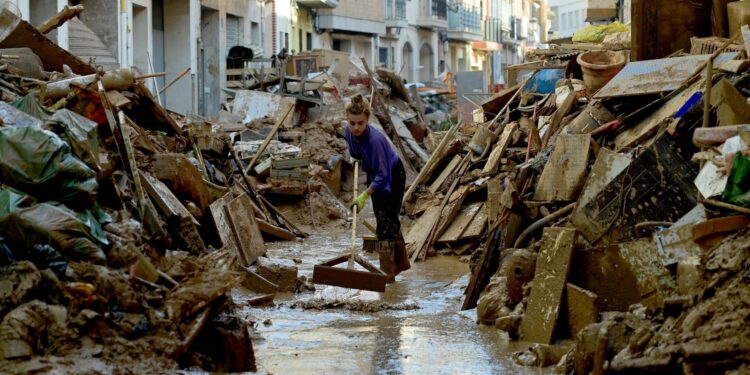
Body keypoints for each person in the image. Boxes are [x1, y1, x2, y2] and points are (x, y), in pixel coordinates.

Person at [345, 95, 410, 282]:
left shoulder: (376, 140)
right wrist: (355, 156)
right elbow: (354, 150)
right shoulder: (349, 131)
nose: (356, 127)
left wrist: (365, 194)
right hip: (376, 172)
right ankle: (401, 263)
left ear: (367, 121)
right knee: (386, 219)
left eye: (360, 123)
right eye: (352, 123)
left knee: (385, 224)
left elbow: (383, 175)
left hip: (393, 174)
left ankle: (387, 275)